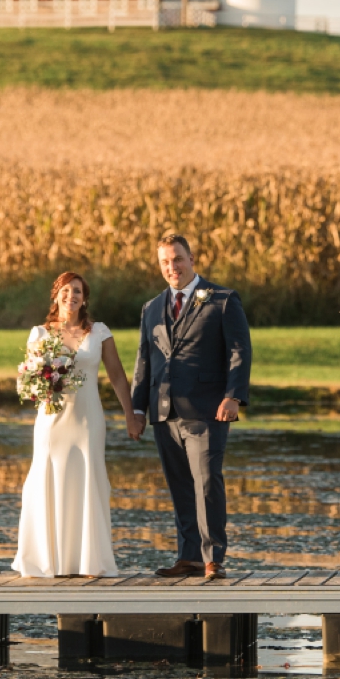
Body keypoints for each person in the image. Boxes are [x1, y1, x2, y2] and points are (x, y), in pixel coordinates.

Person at [130, 233, 252, 580]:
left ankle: (213, 557)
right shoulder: (152, 307)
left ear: (192, 259)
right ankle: (189, 556)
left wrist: (233, 395)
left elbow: (239, 351)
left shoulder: (223, 300)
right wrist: (138, 410)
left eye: (178, 259)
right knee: (180, 485)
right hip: (164, 411)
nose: (172, 267)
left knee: (207, 481)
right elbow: (144, 362)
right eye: (165, 262)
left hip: (206, 410)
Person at [12, 271, 142, 578]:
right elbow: (27, 380)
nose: (72, 296)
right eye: (67, 290)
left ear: (85, 299)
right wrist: (40, 385)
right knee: (46, 479)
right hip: (51, 421)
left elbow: (118, 376)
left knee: (89, 479)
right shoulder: (40, 334)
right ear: (56, 294)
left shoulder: (99, 332)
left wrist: (131, 415)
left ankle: (89, 561)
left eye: (78, 292)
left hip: (87, 420)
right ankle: (46, 559)